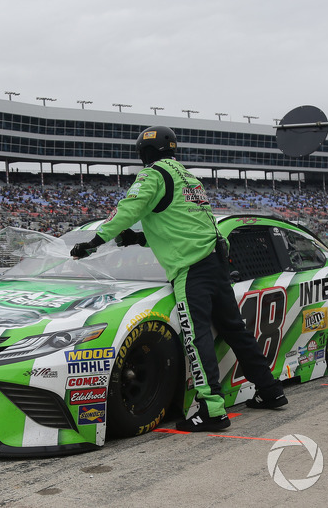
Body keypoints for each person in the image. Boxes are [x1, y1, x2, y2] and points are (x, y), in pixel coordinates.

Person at [70, 125, 286, 432]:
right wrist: (139, 239)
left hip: (191, 270)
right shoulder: (189, 178)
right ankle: (271, 390)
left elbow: (129, 208)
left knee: (197, 338)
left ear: (144, 151)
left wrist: (96, 240)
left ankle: (212, 410)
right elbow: (183, 226)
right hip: (215, 263)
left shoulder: (152, 175)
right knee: (236, 332)